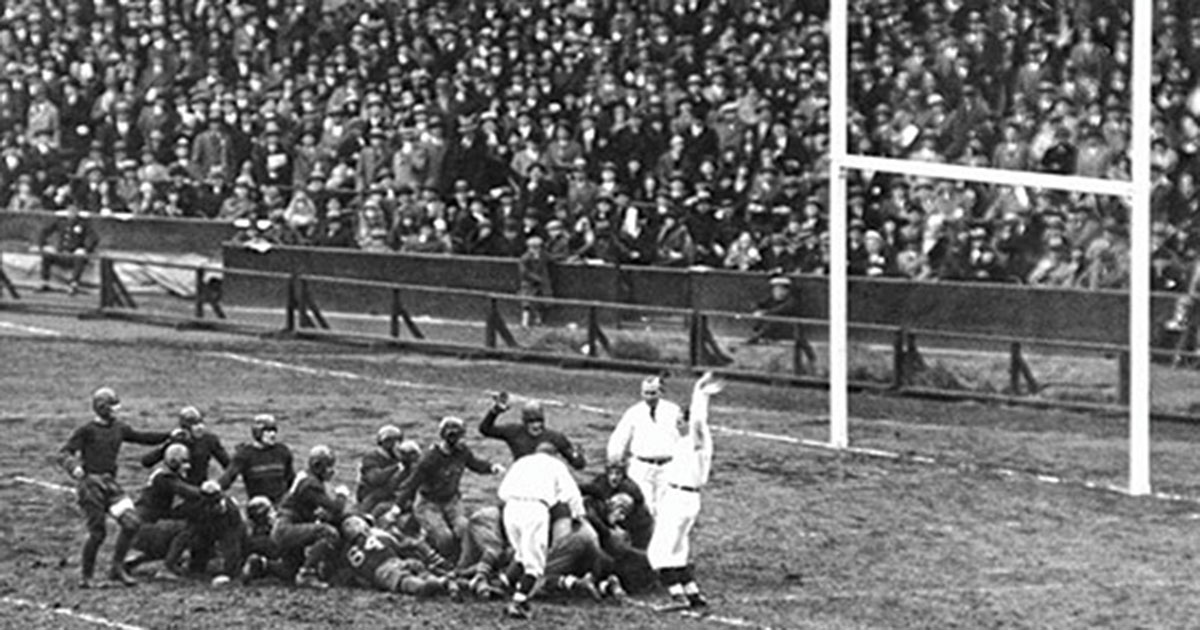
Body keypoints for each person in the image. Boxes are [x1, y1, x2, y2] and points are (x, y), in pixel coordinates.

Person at [58, 387, 171, 587]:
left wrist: (170, 435)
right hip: (91, 486)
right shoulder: (86, 430)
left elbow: (142, 437)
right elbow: (65, 452)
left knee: (132, 523)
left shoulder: (119, 428)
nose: (116, 411)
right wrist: (73, 467)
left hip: (110, 484)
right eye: (112, 408)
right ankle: (87, 576)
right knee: (98, 532)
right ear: (102, 408)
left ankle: (116, 568)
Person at [649, 372, 724, 611]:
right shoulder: (685, 444)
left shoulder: (697, 440)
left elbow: (699, 420)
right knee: (678, 549)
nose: (677, 422)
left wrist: (699, 391)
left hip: (681, 498)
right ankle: (692, 593)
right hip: (684, 498)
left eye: (681, 419)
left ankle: (676, 596)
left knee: (658, 552)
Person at [394, 416, 504, 562]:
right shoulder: (429, 459)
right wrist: (397, 507)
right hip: (428, 504)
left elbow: (474, 463)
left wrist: (491, 467)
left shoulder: (462, 451)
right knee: (444, 537)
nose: (457, 442)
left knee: (465, 529)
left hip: (452, 501)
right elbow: (411, 484)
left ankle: (464, 560)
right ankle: (437, 558)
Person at [497, 442, 587, 619]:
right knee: (535, 565)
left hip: (511, 508)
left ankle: (502, 584)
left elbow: (501, 492)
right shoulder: (555, 465)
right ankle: (518, 602)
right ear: (554, 455)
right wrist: (579, 514)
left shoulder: (521, 462)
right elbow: (571, 493)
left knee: (521, 555)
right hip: (535, 509)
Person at [605, 375, 684, 519]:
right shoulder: (634, 412)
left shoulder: (673, 410)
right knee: (645, 504)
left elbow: (683, 436)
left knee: (666, 507)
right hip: (641, 466)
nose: (649, 397)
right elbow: (620, 436)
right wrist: (614, 457)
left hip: (667, 465)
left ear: (661, 392)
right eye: (645, 393)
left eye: (653, 393)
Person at [271, 445, 348, 588]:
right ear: (319, 466)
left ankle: (261, 565)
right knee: (328, 533)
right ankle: (307, 574)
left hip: (285, 526)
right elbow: (335, 508)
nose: (331, 470)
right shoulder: (311, 484)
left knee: (290, 569)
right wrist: (342, 495)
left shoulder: (305, 476)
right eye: (328, 466)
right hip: (287, 528)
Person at [332, 515, 461, 598]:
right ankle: (440, 581)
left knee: (402, 580)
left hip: (381, 570)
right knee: (416, 568)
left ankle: (423, 586)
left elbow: (354, 576)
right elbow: (397, 546)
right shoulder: (379, 535)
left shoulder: (347, 553)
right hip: (394, 560)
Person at [479, 393, 585, 469]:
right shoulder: (514, 432)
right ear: (525, 422)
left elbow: (577, 464)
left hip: (545, 481)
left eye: (538, 421)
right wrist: (494, 412)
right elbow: (485, 429)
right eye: (531, 422)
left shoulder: (555, 438)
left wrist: (578, 457)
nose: (536, 425)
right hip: (521, 478)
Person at [141, 406, 230, 486]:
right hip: (178, 486)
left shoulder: (209, 440)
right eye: (194, 425)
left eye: (198, 425)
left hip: (197, 485)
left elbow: (227, 463)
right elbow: (147, 461)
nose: (197, 429)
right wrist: (168, 442)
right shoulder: (177, 440)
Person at [745, 274, 818, 372]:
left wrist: (764, 313)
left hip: (791, 330)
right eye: (775, 289)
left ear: (786, 291)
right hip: (776, 330)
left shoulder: (792, 301)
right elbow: (760, 304)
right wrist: (755, 307)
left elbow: (779, 310)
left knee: (798, 339)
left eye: (780, 289)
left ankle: (811, 362)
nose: (777, 292)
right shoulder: (772, 298)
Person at [219, 414, 295, 504]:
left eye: (274, 430)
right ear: (257, 432)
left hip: (281, 505)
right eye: (268, 431)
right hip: (257, 505)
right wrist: (214, 489)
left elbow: (291, 479)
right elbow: (228, 477)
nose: (273, 434)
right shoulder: (245, 454)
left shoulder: (282, 451)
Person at [355, 425, 420, 515]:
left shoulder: (400, 457)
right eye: (390, 442)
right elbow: (375, 478)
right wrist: (397, 466)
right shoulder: (372, 457)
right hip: (371, 494)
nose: (395, 445)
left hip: (393, 495)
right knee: (375, 501)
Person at [36, 204, 99, 294]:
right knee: (47, 255)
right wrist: (44, 245)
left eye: (74, 211)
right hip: (60, 252)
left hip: (73, 254)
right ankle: (44, 282)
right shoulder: (61, 222)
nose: (71, 214)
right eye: (70, 211)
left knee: (80, 258)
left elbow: (94, 238)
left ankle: (73, 284)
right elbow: (44, 231)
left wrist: (85, 249)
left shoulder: (83, 224)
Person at [518, 235, 552, 327]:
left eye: (537, 248)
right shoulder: (525, 258)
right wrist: (536, 278)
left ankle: (540, 321)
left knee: (543, 302)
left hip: (542, 284)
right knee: (527, 303)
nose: (534, 250)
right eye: (532, 248)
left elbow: (552, 259)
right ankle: (525, 323)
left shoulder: (544, 255)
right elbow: (524, 272)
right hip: (529, 283)